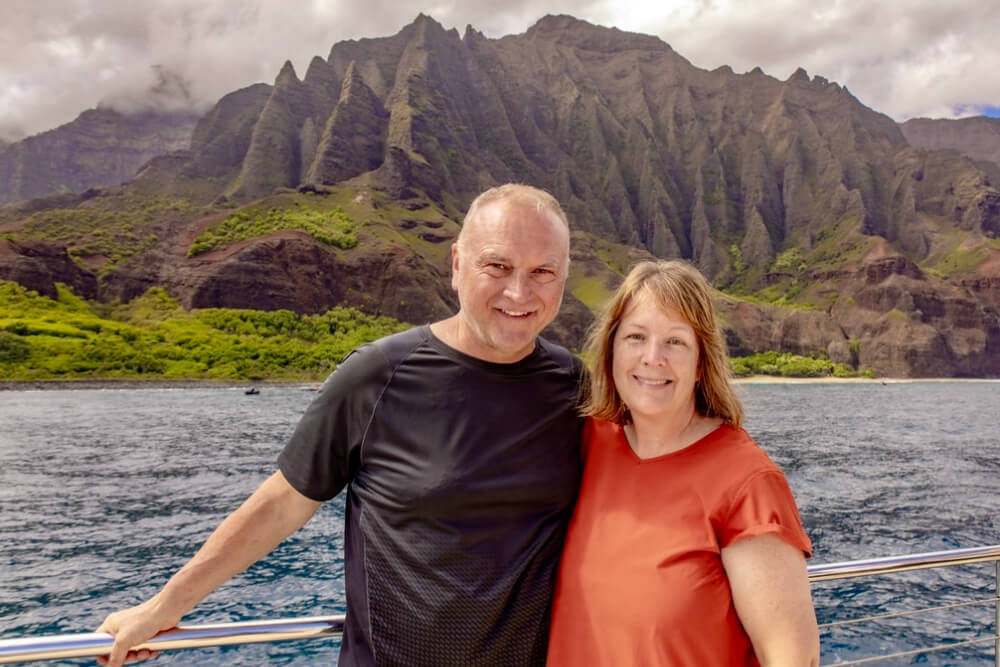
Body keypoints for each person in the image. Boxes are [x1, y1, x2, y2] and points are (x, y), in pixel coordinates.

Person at [97, 184, 586, 667]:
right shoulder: (376, 375)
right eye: (497, 266)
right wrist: (165, 605)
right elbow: (283, 503)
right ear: (457, 264)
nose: (519, 292)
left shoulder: (575, 387)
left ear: (563, 278)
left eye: (543, 272)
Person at [547, 260, 819, 666]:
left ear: (700, 364)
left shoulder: (747, 482)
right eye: (636, 337)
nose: (652, 358)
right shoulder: (590, 442)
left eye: (675, 342)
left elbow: (793, 658)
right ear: (612, 350)